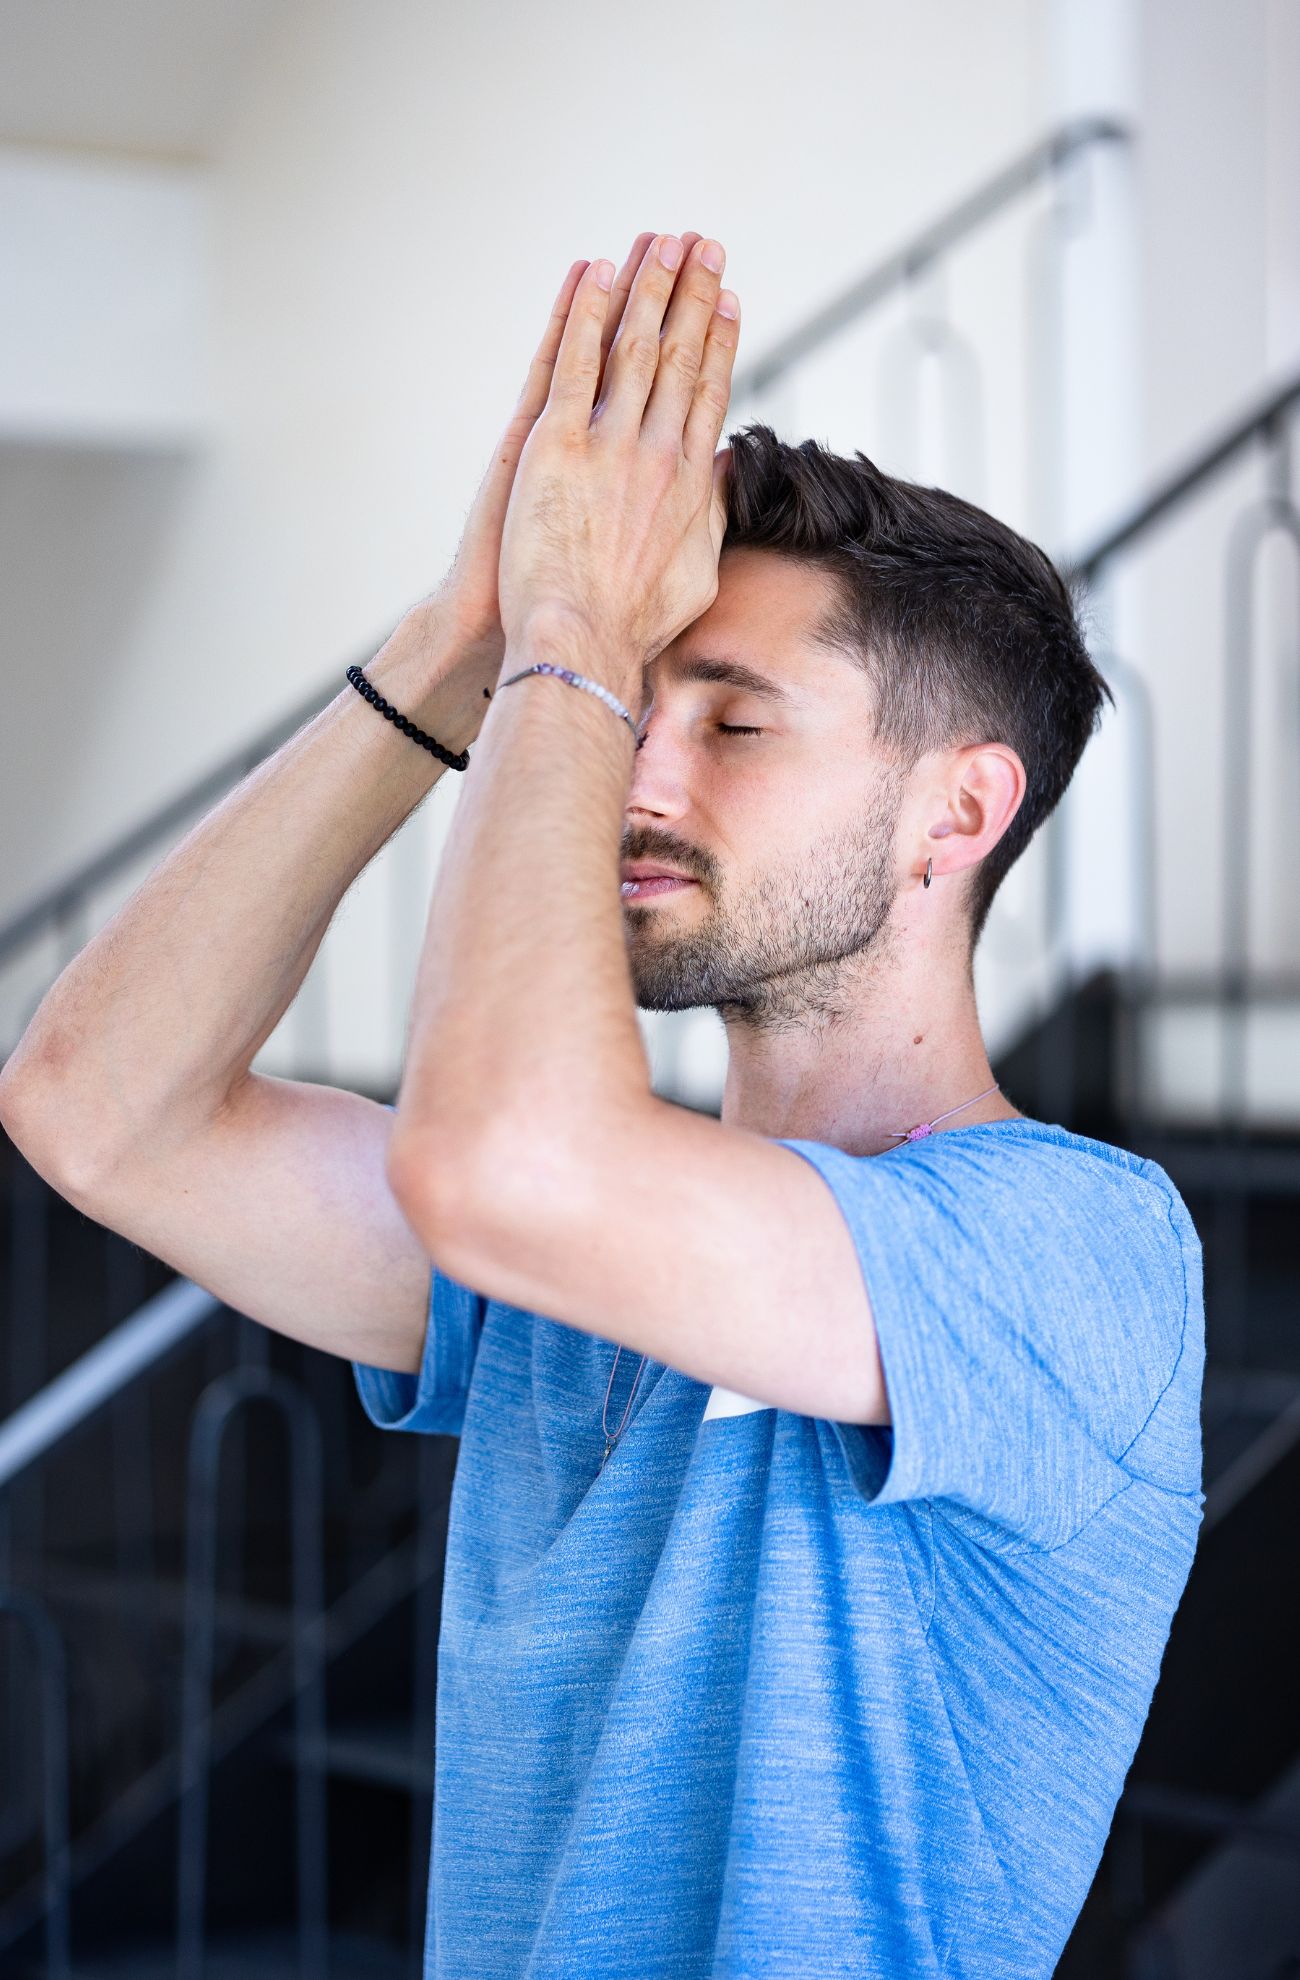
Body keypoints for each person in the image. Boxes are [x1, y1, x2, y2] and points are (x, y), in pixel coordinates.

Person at [0, 229, 1204, 1980]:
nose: (635, 766)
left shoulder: (1081, 1255)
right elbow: (93, 1109)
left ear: (959, 816)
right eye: (638, 702)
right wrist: (460, 636)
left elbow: (508, 1164)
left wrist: (573, 631)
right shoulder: (583, 1263)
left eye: (733, 722)